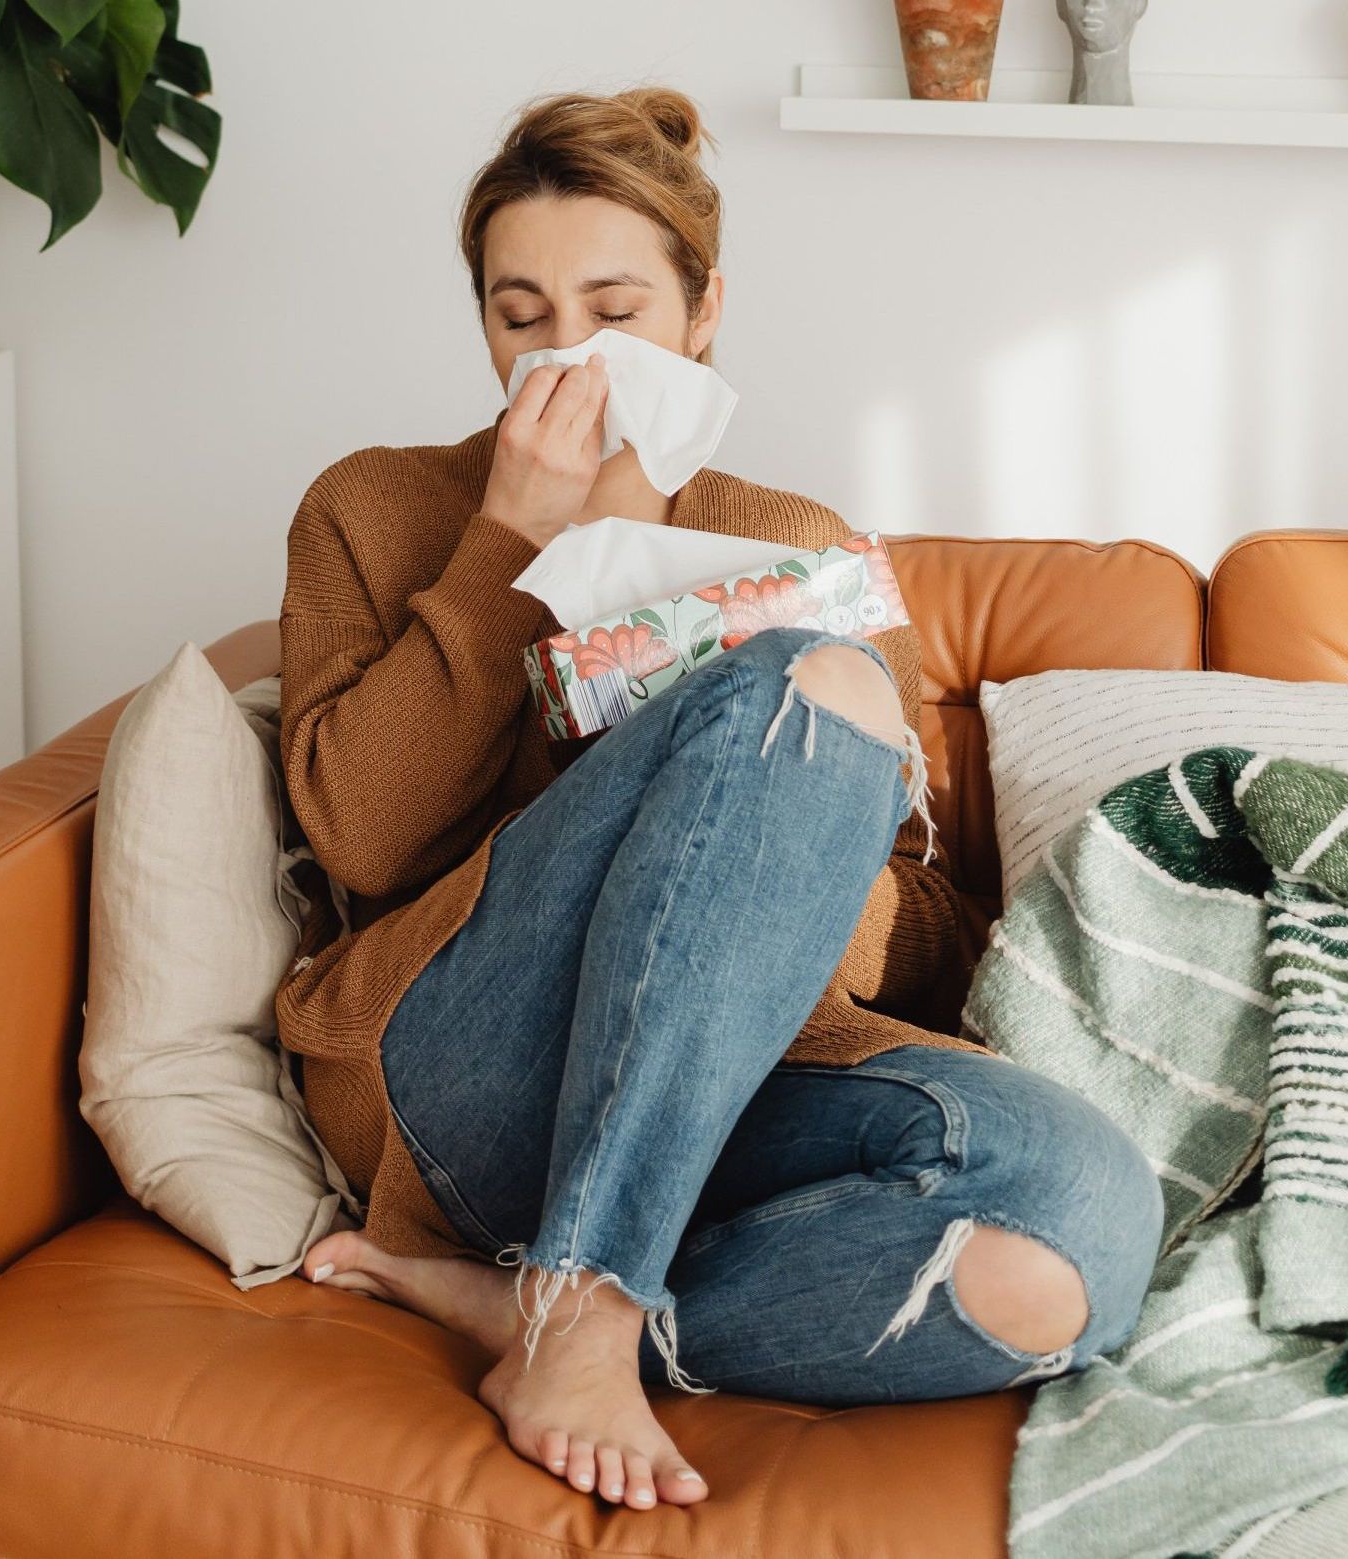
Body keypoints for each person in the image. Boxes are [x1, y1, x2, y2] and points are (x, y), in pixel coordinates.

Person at [273, 84, 1164, 1516]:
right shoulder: (373, 511)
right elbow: (363, 836)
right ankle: (585, 1300)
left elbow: (916, 943)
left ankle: (558, 1313)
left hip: (725, 1093)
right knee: (790, 687)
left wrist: (752, 815)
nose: (569, 353)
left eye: (615, 310)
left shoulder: (796, 544)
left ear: (702, 317)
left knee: (1078, 1226)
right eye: (522, 314)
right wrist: (516, 542)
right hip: (456, 1069)